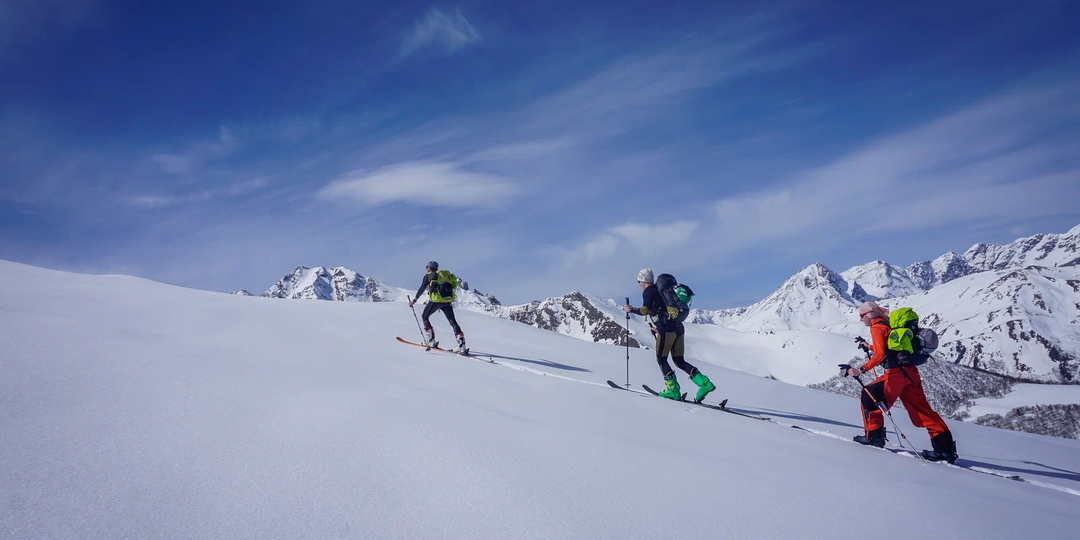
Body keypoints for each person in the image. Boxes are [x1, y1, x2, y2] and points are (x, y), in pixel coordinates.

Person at [847, 301, 957, 462]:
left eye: (862, 316)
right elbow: (889, 348)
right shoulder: (887, 325)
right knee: (922, 411)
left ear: (870, 315)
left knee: (868, 395)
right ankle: (945, 450)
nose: (861, 320)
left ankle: (874, 437)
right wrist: (869, 346)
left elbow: (880, 355)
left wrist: (861, 370)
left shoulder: (876, 327)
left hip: (896, 375)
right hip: (910, 373)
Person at [623, 268, 716, 402]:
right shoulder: (661, 290)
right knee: (679, 360)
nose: (639, 284)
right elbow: (663, 312)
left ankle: (673, 390)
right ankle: (704, 383)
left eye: (639, 281)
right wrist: (657, 328)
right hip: (678, 327)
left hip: (667, 330)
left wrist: (630, 309)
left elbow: (645, 310)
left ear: (643, 280)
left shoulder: (649, 292)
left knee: (661, 359)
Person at [408, 261, 467, 353]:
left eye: (427, 267)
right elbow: (454, 285)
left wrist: (414, 300)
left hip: (435, 301)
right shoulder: (445, 276)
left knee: (425, 317)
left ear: (429, 268)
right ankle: (461, 345)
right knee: (453, 322)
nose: (426, 269)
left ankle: (431, 341)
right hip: (447, 301)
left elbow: (422, 288)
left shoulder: (429, 276)